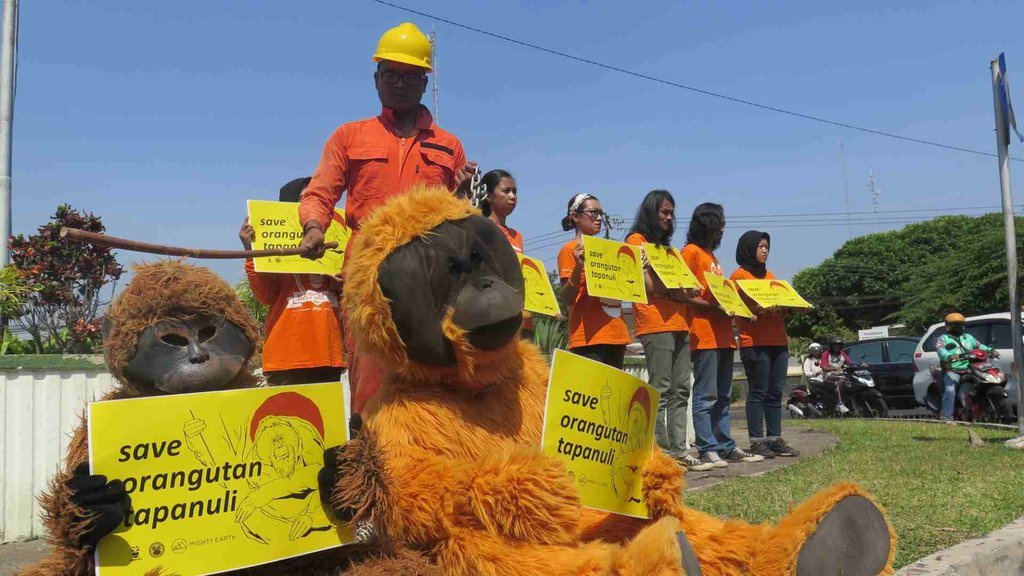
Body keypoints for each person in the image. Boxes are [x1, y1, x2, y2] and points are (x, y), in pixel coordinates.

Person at [294, 22, 476, 415]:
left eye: (411, 76)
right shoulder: (349, 137)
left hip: (431, 281)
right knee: (371, 384)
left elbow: (459, 220)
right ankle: (370, 462)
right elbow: (320, 192)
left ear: (425, 83)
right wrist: (313, 228)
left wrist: (459, 197)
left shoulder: (450, 147)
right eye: (391, 74)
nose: (400, 83)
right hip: (369, 279)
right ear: (376, 80)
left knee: (431, 382)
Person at [624, 190, 708, 471]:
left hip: (679, 323)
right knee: (660, 389)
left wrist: (675, 292)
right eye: (664, 212)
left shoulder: (670, 251)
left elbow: (689, 290)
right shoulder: (636, 242)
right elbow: (646, 285)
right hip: (654, 324)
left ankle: (679, 451)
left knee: (681, 388)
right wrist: (676, 291)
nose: (669, 218)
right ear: (651, 212)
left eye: (671, 213)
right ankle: (660, 453)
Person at [240, 177, 345, 386]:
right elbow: (265, 295)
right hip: (287, 357)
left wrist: (345, 283)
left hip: (329, 354)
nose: (311, 206)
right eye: (304, 199)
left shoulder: (336, 242)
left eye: (317, 199)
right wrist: (250, 251)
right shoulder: (274, 249)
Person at [681, 203, 763, 468]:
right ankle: (707, 448)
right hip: (704, 335)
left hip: (725, 335)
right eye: (720, 225)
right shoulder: (690, 253)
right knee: (706, 396)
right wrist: (717, 305)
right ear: (707, 224)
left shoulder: (712, 258)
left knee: (724, 394)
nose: (722, 231)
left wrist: (737, 307)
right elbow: (686, 296)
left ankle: (725, 445)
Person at [731, 231, 799, 459]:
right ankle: (756, 441)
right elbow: (735, 308)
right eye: (760, 246)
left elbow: (782, 304)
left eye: (767, 246)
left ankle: (774, 438)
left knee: (775, 391)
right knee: (758, 391)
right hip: (755, 342)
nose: (764, 250)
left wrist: (788, 306)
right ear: (748, 248)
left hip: (778, 340)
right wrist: (757, 310)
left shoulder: (771, 276)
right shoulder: (738, 277)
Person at [557, 193, 630, 369]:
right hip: (588, 336)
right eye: (593, 212)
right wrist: (579, 266)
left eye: (601, 213)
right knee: (593, 393)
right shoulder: (569, 250)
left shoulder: (608, 249)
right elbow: (566, 297)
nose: (598, 218)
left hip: (616, 332)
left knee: (612, 393)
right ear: (574, 216)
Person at [480, 169, 535, 339]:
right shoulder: (480, 228)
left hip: (521, 319)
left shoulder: (517, 236)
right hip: (495, 319)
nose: (513, 196)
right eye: (506, 191)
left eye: (515, 192)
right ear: (489, 196)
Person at [936, 312, 999, 421]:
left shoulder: (968, 337)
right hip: (953, 370)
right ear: (947, 326)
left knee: (981, 385)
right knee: (950, 390)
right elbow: (941, 351)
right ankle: (947, 417)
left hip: (970, 369)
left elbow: (980, 346)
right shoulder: (943, 339)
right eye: (954, 324)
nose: (957, 327)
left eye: (960, 324)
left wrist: (991, 351)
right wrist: (949, 356)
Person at [819, 335, 852, 414]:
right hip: (829, 376)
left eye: (839, 345)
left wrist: (860, 364)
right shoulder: (826, 354)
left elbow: (849, 363)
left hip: (841, 374)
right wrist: (835, 369)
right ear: (831, 346)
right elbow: (824, 368)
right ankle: (840, 404)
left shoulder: (842, 353)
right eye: (835, 345)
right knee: (840, 381)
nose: (838, 347)